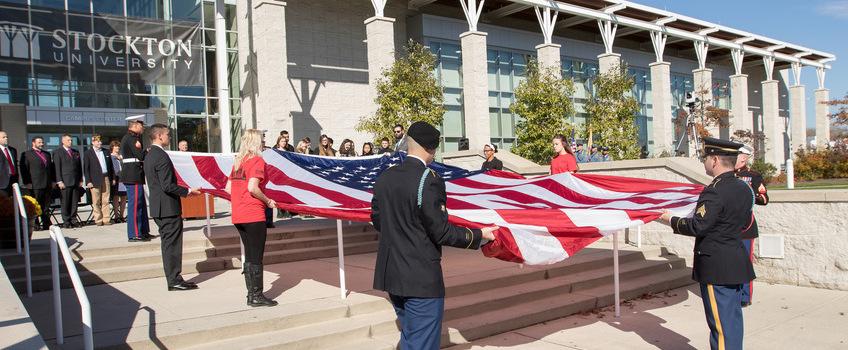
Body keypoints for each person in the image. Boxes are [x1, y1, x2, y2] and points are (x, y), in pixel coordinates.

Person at [371, 121, 498, 350]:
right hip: (420, 277)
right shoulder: (428, 179)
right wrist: (479, 236)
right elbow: (440, 231)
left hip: (392, 273)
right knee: (422, 344)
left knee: (411, 338)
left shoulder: (385, 177)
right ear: (431, 148)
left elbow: (379, 221)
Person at [656, 137, 755, 350]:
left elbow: (698, 226)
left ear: (716, 160)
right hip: (735, 260)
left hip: (717, 264)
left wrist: (669, 219)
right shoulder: (743, 188)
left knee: (720, 325)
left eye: (706, 158)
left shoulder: (715, 190)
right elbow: (745, 222)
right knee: (732, 321)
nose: (704, 162)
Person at [144, 124, 200, 291]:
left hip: (160, 207)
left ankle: (174, 278)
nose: (169, 137)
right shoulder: (160, 155)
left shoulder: (150, 154)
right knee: (172, 245)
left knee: (169, 245)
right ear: (159, 136)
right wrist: (188, 191)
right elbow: (167, 185)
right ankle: (174, 279)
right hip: (167, 208)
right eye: (168, 134)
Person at [226, 129, 279, 307]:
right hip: (253, 213)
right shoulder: (257, 160)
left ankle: (251, 295)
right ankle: (256, 296)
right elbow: (253, 187)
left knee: (249, 256)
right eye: (262, 140)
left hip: (238, 215)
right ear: (256, 142)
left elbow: (227, 188)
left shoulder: (237, 162)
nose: (264, 143)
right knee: (256, 256)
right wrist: (268, 200)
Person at [734, 144, 768, 307]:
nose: (738, 158)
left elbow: (764, 199)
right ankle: (733, 292)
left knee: (745, 262)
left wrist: (749, 193)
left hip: (746, 226)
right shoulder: (726, 174)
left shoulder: (753, 176)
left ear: (746, 158)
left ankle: (745, 296)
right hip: (728, 226)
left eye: (741, 156)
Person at [121, 115, 151, 242]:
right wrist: (148, 150)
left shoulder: (134, 138)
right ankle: (134, 233)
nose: (143, 128)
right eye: (141, 125)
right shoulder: (131, 138)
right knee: (135, 206)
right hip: (132, 175)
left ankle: (143, 231)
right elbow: (140, 155)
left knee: (141, 205)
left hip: (135, 174)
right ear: (135, 125)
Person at [19, 136, 54, 230]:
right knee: (35, 204)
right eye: (39, 142)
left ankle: (46, 222)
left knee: (46, 205)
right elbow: (24, 169)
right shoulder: (27, 154)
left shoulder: (47, 154)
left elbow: (51, 168)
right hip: (35, 184)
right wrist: (27, 182)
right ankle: (35, 224)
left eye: (42, 142)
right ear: (33, 143)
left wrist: (53, 181)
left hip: (47, 183)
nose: (41, 144)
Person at [83, 134, 115, 226]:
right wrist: (88, 181)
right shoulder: (88, 153)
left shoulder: (106, 151)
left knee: (106, 199)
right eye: (97, 141)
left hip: (106, 177)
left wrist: (112, 178)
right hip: (94, 179)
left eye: (100, 141)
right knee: (96, 201)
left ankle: (106, 219)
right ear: (93, 142)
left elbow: (111, 166)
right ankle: (98, 220)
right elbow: (86, 168)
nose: (100, 143)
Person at [53, 134, 83, 228]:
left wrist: (80, 179)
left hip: (75, 181)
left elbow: (79, 167)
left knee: (74, 202)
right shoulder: (58, 152)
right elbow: (57, 168)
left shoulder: (75, 152)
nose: (70, 142)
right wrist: (59, 181)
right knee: (65, 202)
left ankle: (73, 220)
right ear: (63, 141)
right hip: (65, 181)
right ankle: (66, 221)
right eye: (68, 140)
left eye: (71, 140)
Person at [110, 141, 127, 223]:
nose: (117, 148)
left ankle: (122, 216)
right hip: (115, 178)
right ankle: (116, 216)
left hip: (123, 178)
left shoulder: (121, 157)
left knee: (123, 197)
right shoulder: (110, 157)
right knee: (116, 197)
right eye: (115, 146)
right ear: (112, 147)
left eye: (118, 146)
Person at [0, 130, 18, 196]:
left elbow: (15, 164)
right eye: (3, 137)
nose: (6, 138)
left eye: (7, 137)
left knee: (13, 203)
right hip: (2, 183)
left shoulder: (13, 150)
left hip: (13, 181)